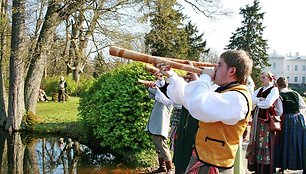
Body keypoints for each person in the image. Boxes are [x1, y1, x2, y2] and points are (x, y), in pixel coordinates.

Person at [157, 50, 253, 173]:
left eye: (219, 64)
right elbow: (188, 97)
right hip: (204, 160)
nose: (215, 68)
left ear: (232, 71)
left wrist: (206, 78)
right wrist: (171, 75)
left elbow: (198, 105)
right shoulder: (224, 91)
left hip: (214, 165)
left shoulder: (237, 98)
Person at [246, 71, 282, 174]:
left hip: (266, 120)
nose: (261, 79)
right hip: (257, 118)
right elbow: (251, 99)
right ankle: (256, 168)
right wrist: (259, 100)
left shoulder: (274, 90)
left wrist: (258, 101)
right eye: (261, 77)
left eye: (264, 77)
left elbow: (268, 104)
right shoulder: (260, 90)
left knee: (265, 142)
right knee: (255, 140)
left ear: (270, 78)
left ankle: (265, 170)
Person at [275, 76, 306, 172]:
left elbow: (280, 112)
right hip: (298, 118)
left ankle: (283, 165)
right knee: (298, 142)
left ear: (277, 85)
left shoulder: (279, 96)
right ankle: (300, 164)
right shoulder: (295, 93)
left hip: (287, 120)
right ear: (287, 84)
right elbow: (302, 105)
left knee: (285, 142)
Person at [145, 72, 174, 174]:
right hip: (156, 126)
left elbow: (156, 93)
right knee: (159, 148)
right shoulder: (160, 96)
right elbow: (152, 95)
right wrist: (151, 87)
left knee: (163, 147)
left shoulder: (167, 97)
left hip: (160, 126)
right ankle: (162, 167)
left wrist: (151, 86)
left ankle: (169, 169)